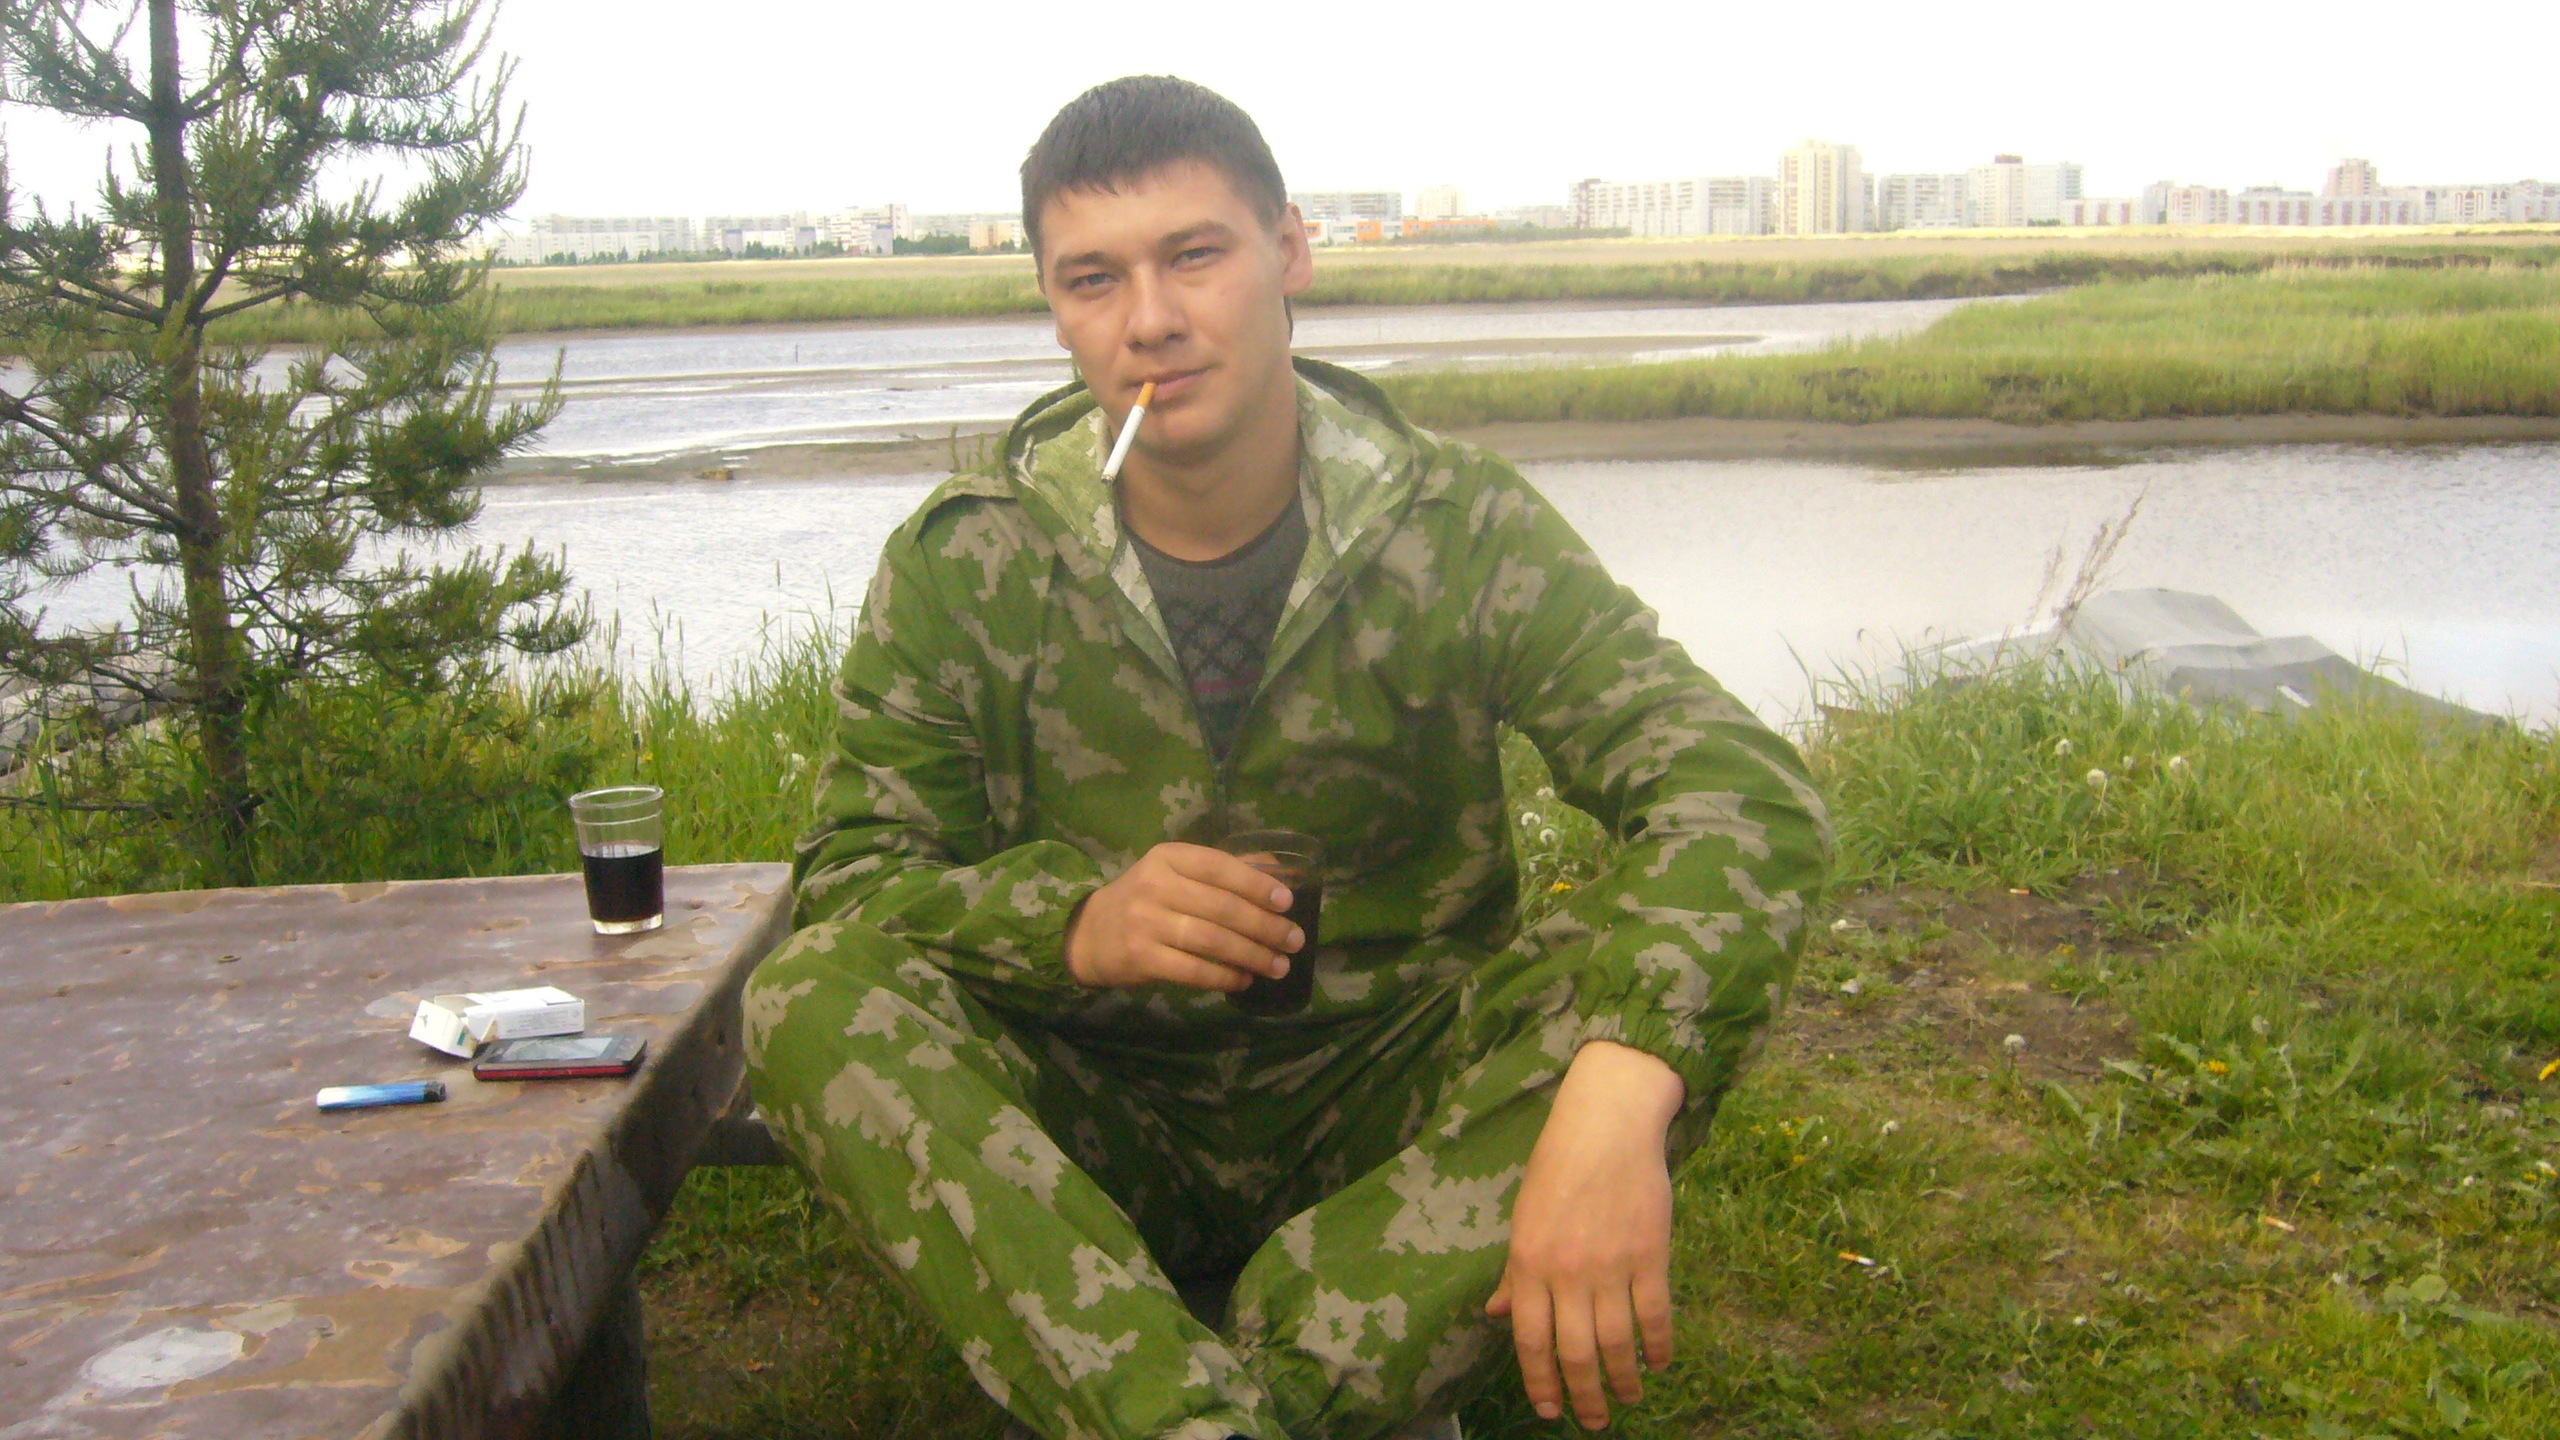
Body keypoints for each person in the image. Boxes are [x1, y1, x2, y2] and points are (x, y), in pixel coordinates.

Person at [742, 75, 1830, 1440]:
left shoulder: (1459, 529)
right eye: (1094, 279)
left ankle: (1237, 1376)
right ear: (1054, 307)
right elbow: (852, 885)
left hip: (1399, 1115)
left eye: (1193, 255)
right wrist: (1074, 926)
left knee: (1642, 987)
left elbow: (1741, 793)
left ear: (1289, 253)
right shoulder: (970, 563)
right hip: (1097, 1127)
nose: (1150, 319)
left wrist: (1623, 1076)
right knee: (808, 996)